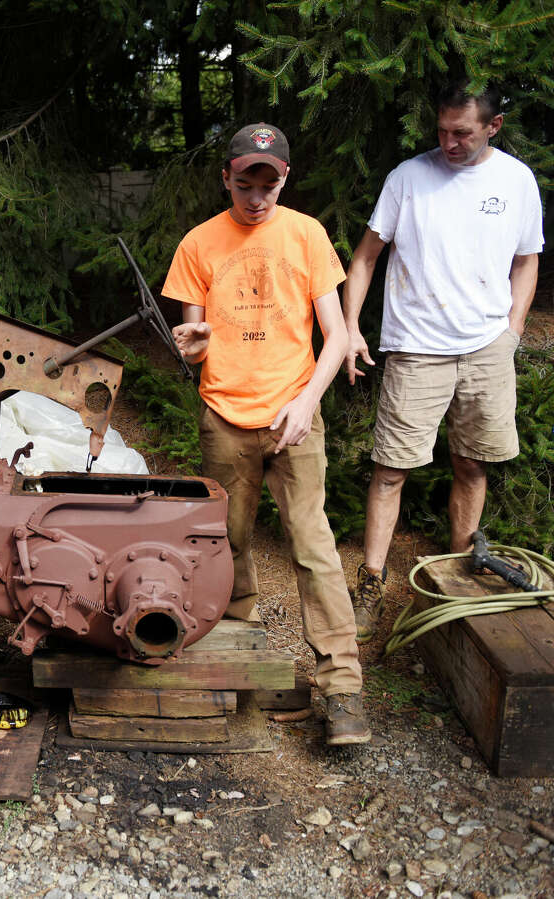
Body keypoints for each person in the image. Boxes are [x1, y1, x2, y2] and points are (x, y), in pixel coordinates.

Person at [165, 123, 369, 746]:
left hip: (294, 417)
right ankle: (233, 660)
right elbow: (193, 341)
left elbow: (335, 336)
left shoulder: (306, 234)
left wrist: (307, 404)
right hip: (226, 418)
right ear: (226, 176)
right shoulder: (198, 244)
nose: (256, 196)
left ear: (285, 179)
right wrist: (192, 344)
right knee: (228, 544)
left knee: (313, 546)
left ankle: (342, 691)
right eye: (245, 181)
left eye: (269, 183)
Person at [342, 81, 544, 643]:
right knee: (390, 469)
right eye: (442, 131)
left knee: (472, 464)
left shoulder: (516, 180)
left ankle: (460, 572)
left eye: (463, 133)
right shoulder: (409, 178)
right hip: (416, 346)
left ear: (492, 128)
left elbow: (527, 261)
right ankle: (371, 581)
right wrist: (351, 328)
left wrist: (514, 328)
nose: (449, 142)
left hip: (487, 346)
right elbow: (364, 258)